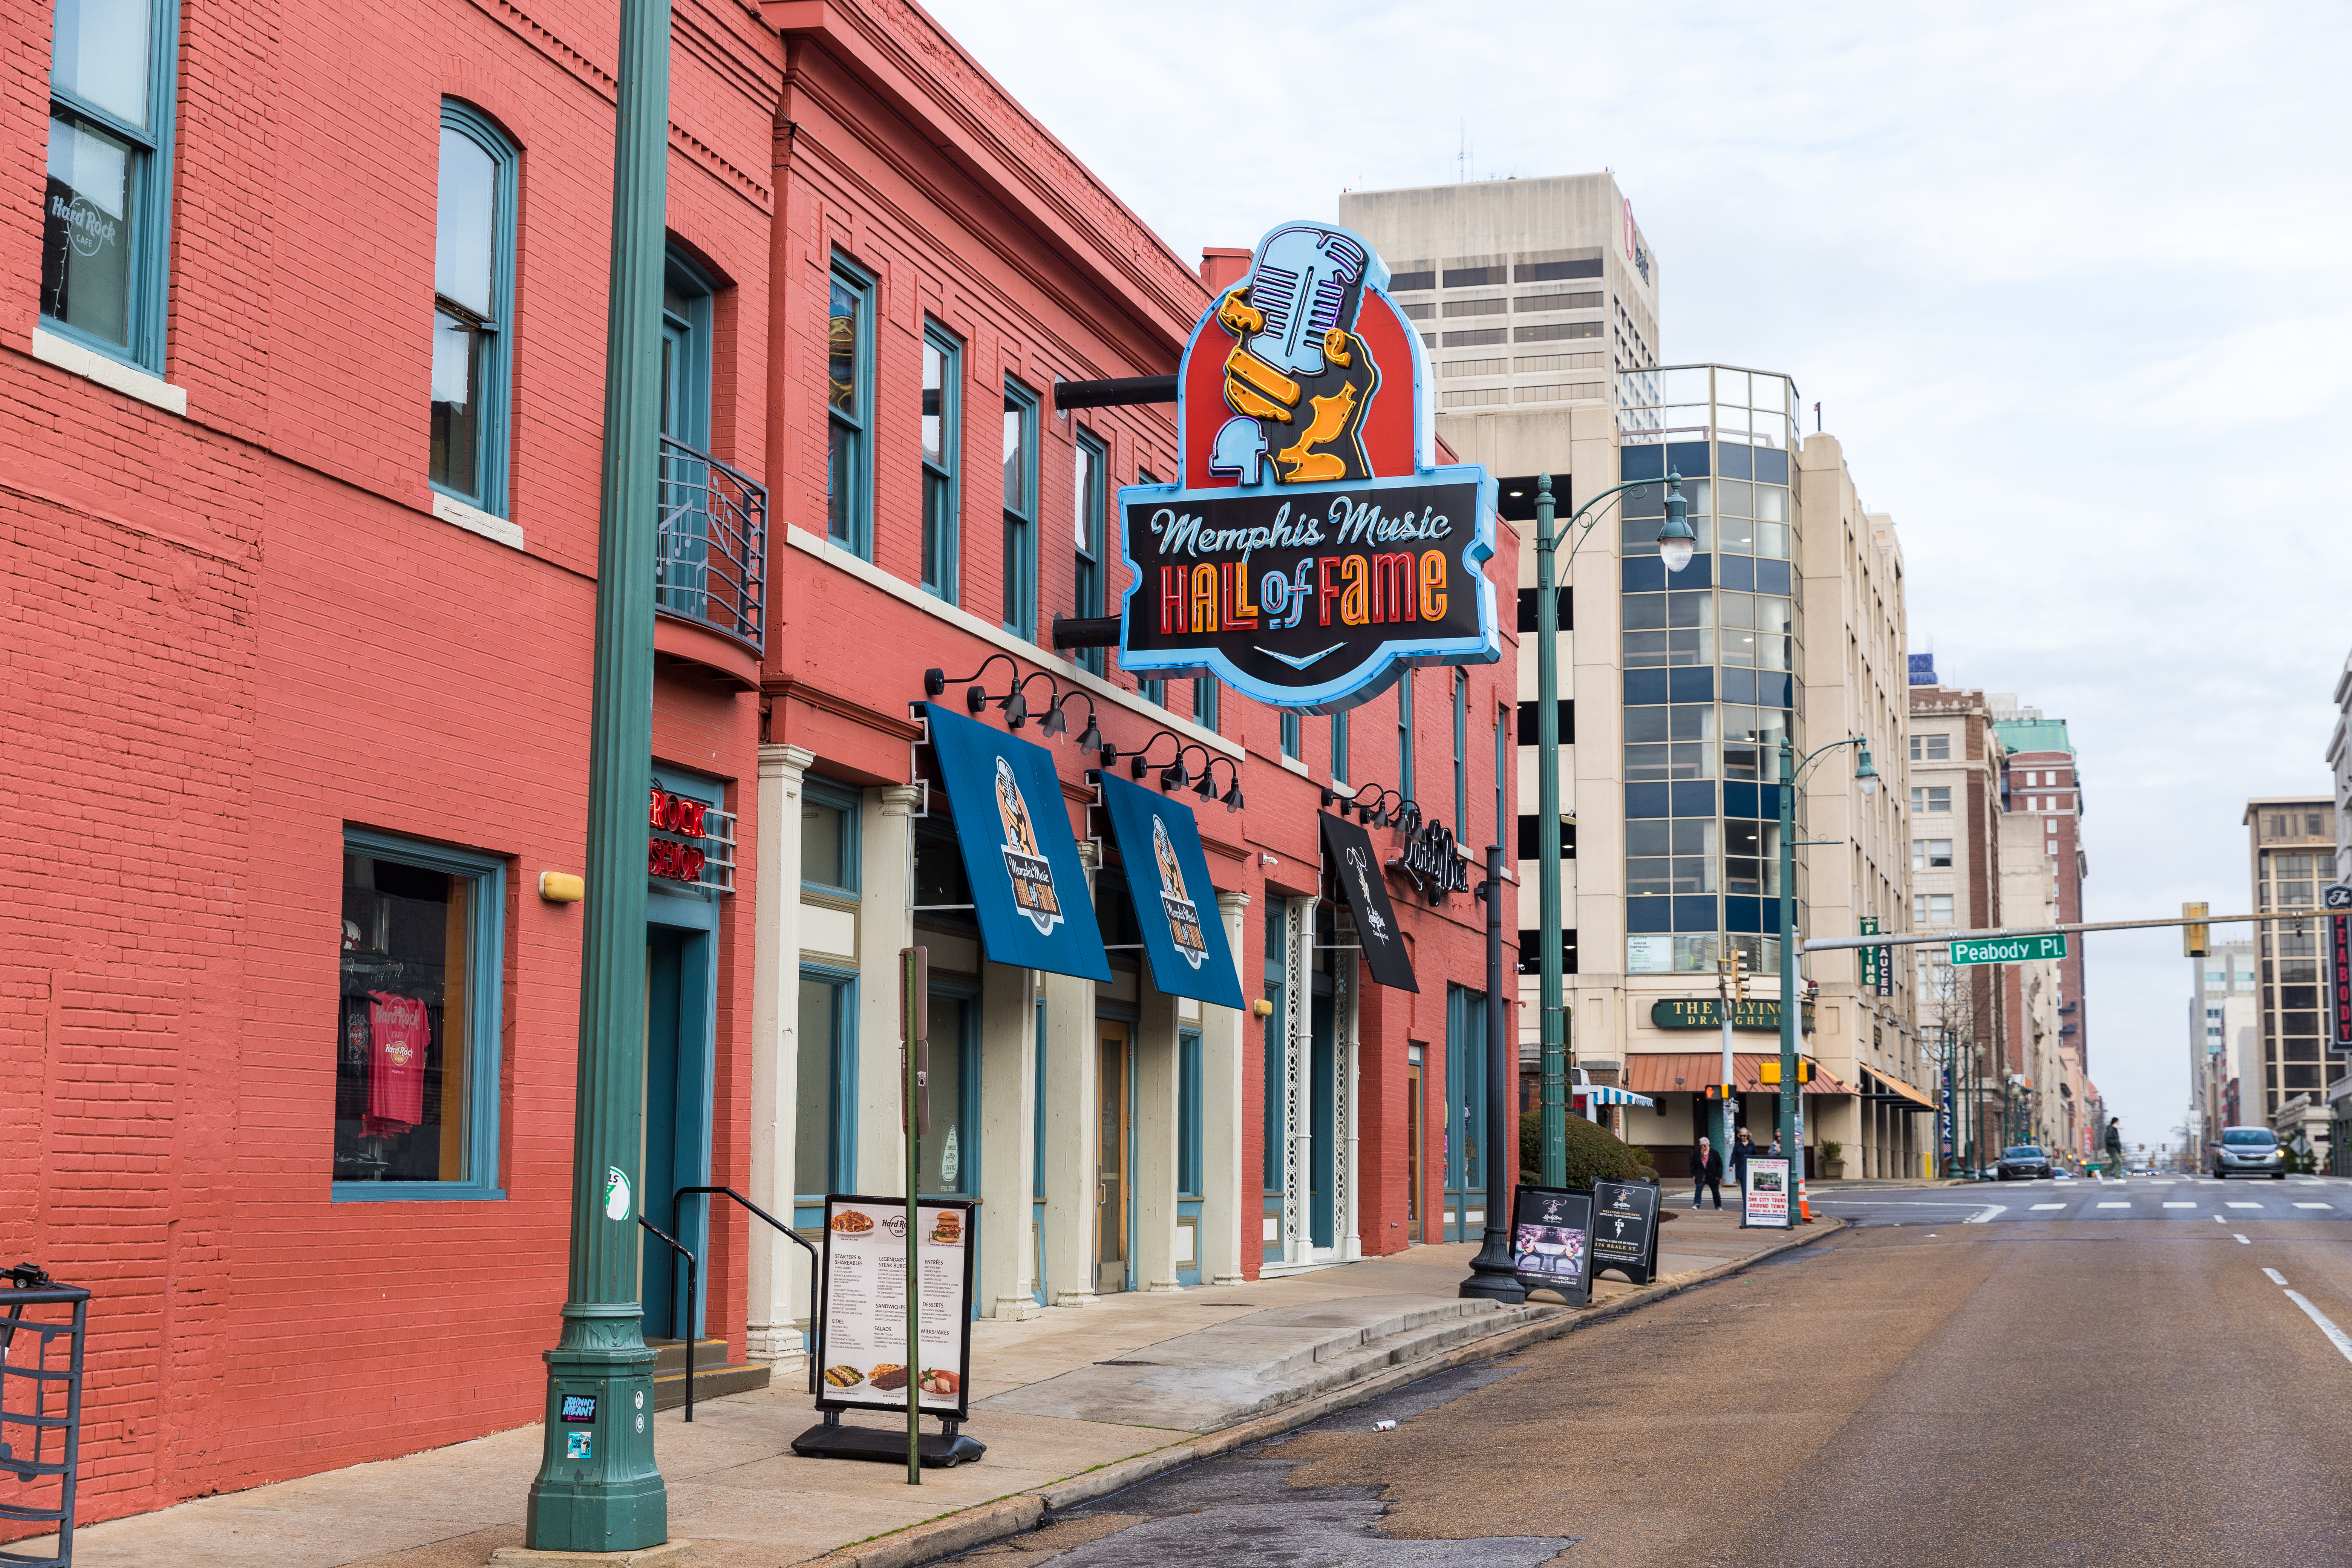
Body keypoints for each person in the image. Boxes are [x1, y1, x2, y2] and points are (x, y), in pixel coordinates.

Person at [1691, 1137, 1724, 1209]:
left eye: (1705, 1146)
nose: (1703, 1147)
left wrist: (1719, 1175)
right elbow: (1692, 1164)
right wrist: (1694, 1175)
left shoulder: (1714, 1153)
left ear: (1708, 1145)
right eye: (1702, 1146)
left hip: (1712, 1175)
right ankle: (1696, 1204)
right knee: (1698, 1190)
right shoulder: (1697, 1153)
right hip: (1701, 1175)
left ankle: (1718, 1206)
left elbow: (1720, 1164)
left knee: (1715, 1191)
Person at [1728, 1127, 1756, 1194]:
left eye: (1744, 1136)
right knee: (1744, 1187)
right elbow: (1734, 1155)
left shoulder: (1752, 1144)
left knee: (1751, 1186)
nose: (1743, 1137)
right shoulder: (1738, 1145)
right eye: (1741, 1136)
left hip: (1751, 1167)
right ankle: (1745, 1202)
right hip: (1741, 1167)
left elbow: (1756, 1155)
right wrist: (1731, 1165)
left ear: (1747, 1136)